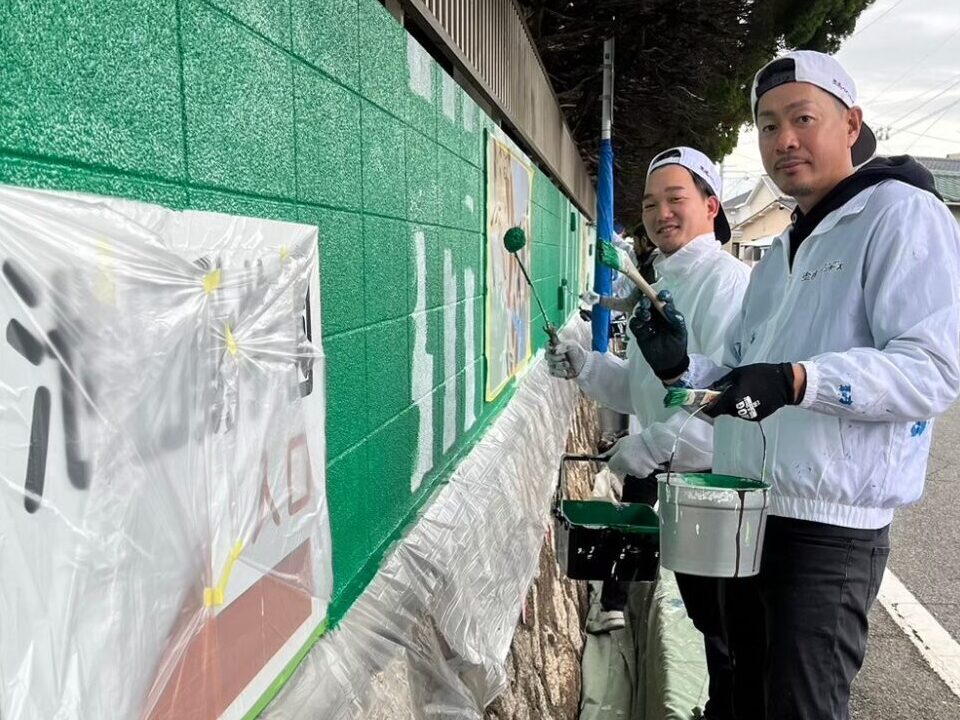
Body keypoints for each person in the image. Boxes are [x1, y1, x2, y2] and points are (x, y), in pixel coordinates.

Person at [631, 50, 960, 720]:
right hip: (750, 514)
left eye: (803, 118)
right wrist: (678, 372)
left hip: (828, 534)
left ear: (851, 125)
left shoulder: (901, 215)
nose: (784, 139)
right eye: (768, 124)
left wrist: (802, 379)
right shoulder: (778, 252)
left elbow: (933, 370)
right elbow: (740, 393)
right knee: (738, 694)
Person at [547, 147, 750, 720]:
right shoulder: (660, 285)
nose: (661, 213)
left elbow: (721, 402)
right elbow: (643, 391)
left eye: (676, 199)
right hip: (680, 487)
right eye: (650, 203)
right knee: (712, 624)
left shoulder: (726, 286)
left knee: (729, 636)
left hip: (716, 489)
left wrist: (646, 447)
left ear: (712, 206)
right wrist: (585, 364)